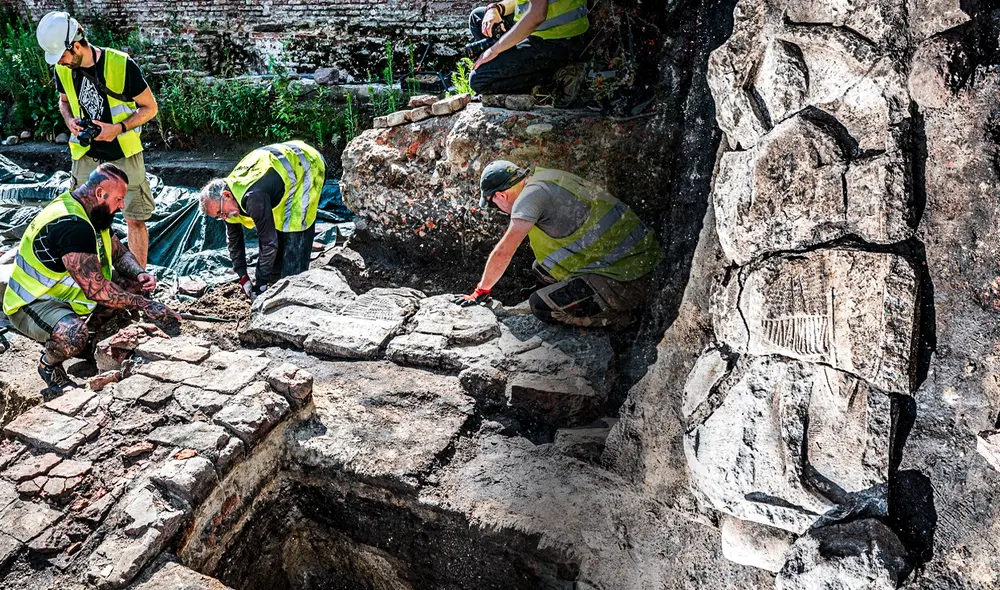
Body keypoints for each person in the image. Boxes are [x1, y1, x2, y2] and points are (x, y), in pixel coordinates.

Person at [2, 164, 180, 396]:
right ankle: (49, 365)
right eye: (118, 199)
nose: (121, 205)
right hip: (33, 302)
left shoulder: (93, 211)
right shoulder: (70, 225)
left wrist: (139, 273)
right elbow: (98, 290)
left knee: (132, 284)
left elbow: (119, 252)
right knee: (72, 335)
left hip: (69, 293)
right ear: (100, 193)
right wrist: (146, 305)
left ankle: (89, 342)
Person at [455, 160, 664, 330]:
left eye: (493, 204)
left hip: (631, 279)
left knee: (541, 306)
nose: (497, 209)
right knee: (541, 269)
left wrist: (480, 291)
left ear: (501, 195)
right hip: (639, 259)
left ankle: (621, 320)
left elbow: (503, 252)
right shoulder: (545, 178)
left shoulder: (529, 199)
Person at [36, 11, 159, 269]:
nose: (60, 62)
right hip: (85, 154)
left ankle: (139, 281)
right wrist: (70, 121)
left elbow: (150, 108)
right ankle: (96, 281)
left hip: (123, 152)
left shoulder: (120, 65)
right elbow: (64, 102)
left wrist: (119, 127)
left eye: (63, 55)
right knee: (82, 216)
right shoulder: (64, 68)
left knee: (135, 218)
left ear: (77, 44)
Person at [197, 141, 326, 301]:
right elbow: (234, 241)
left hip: (306, 166)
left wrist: (260, 285)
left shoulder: (253, 197)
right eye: (218, 217)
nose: (223, 217)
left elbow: (269, 243)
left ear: (226, 195)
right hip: (279, 176)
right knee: (274, 254)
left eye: (221, 212)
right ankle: (276, 279)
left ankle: (296, 290)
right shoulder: (229, 201)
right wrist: (243, 276)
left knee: (294, 235)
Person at [468, 0, 589, 96]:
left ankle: (554, 78)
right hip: (540, 30)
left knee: (479, 81)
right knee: (478, 17)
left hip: (559, 40)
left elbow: (537, 15)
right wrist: (495, 8)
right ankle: (511, 63)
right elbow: (522, 2)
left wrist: (494, 50)